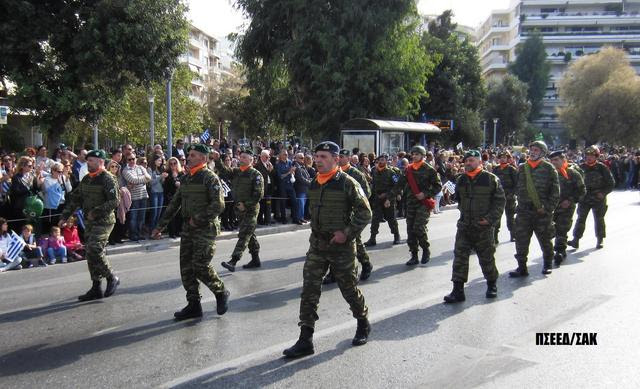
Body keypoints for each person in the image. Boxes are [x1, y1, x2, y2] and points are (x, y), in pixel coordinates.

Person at [283, 141, 372, 359]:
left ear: (335, 158)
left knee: (348, 288)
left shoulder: (347, 183)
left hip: (341, 247)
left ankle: (363, 322)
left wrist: (347, 233)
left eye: (323, 156)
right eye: (316, 156)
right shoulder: (315, 183)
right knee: (309, 290)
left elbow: (365, 212)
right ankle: (306, 339)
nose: (318, 160)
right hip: (318, 246)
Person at [151, 144, 230, 320]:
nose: (189, 157)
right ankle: (194, 304)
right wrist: (160, 226)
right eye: (189, 154)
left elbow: (219, 205)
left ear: (203, 158)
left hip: (205, 228)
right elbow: (174, 204)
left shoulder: (210, 178)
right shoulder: (187, 178)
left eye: (193, 155)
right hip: (188, 228)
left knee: (200, 265)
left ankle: (220, 291)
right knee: (186, 267)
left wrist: (199, 219)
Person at [444, 150, 505, 303]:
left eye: (471, 160)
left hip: (483, 227)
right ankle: (457, 291)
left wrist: (489, 220)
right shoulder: (461, 179)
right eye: (466, 161)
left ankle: (492, 285)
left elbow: (499, 202)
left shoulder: (491, 179)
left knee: (486, 258)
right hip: (465, 226)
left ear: (479, 162)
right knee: (460, 258)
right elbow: (457, 198)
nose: (468, 163)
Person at [60, 149, 120, 301]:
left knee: (95, 248)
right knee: (90, 253)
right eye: (88, 161)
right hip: (90, 222)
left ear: (100, 162)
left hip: (104, 221)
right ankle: (96, 286)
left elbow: (114, 201)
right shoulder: (87, 179)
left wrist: (97, 211)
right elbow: (75, 198)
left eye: (92, 160)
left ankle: (111, 277)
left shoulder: (108, 178)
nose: (89, 163)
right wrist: (65, 216)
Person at [509, 141, 560, 277]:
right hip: (523, 211)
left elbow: (555, 192)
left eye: (536, 150)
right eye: (531, 150)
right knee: (521, 240)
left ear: (542, 153)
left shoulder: (549, 169)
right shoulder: (522, 168)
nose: (532, 152)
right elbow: (516, 187)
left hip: (541, 212)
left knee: (545, 240)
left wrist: (547, 209)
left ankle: (548, 264)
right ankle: (521, 267)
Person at [324, 149, 373, 284]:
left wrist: (353, 205)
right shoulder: (333, 173)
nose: (339, 159)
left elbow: (366, 193)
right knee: (333, 242)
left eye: (342, 156)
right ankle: (333, 273)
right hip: (335, 215)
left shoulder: (356, 174)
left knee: (355, 242)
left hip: (350, 215)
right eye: (338, 156)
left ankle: (366, 264)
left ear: (349, 158)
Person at [215, 148, 265, 272]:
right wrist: (217, 160)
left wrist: (246, 205)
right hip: (239, 209)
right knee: (249, 234)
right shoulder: (236, 171)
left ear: (251, 160)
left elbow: (258, 194)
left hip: (251, 210)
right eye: (240, 156)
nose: (241, 159)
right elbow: (224, 171)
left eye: (244, 157)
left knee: (244, 234)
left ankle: (233, 261)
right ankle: (255, 259)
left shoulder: (256, 174)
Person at [396, 146, 442, 266]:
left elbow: (438, 186)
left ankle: (425, 249)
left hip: (423, 203)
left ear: (422, 155)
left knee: (418, 227)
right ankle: (414, 255)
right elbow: (399, 184)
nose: (414, 156)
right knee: (410, 230)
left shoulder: (429, 169)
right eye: (413, 154)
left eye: (417, 154)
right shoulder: (408, 169)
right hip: (410, 203)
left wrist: (425, 194)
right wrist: (390, 198)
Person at [568, 145, 615, 249]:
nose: (589, 157)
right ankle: (576, 239)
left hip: (598, 198)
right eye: (587, 155)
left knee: (599, 219)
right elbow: (574, 183)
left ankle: (600, 239)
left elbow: (611, 183)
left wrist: (603, 193)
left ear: (596, 156)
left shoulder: (602, 168)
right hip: (584, 198)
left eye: (591, 155)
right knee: (580, 219)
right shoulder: (581, 167)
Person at [549, 151, 585, 266]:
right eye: (552, 160)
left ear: (563, 160)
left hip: (566, 207)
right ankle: (553, 249)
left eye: (556, 160)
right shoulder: (549, 173)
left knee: (562, 228)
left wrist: (570, 200)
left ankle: (559, 251)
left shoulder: (573, 174)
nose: (554, 162)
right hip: (551, 206)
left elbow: (582, 191)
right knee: (548, 230)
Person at [364, 154, 401, 247]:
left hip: (388, 199)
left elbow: (397, 186)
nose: (381, 161)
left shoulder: (391, 172)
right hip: (377, 198)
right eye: (380, 160)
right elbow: (374, 185)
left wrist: (388, 197)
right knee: (375, 219)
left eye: (383, 160)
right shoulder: (375, 171)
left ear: (386, 161)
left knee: (391, 218)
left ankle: (396, 236)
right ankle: (372, 238)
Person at [122, 152, 151, 241]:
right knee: (133, 218)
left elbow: (149, 177)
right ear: (126, 160)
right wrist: (143, 179)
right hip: (133, 197)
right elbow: (133, 180)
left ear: (136, 159)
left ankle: (139, 234)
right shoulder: (125, 171)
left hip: (143, 195)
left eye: (133, 159)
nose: (132, 161)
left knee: (141, 217)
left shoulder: (141, 167)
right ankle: (133, 235)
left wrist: (140, 179)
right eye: (129, 159)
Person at [493, 151, 518, 243]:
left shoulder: (512, 169)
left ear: (508, 159)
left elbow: (517, 184)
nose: (502, 159)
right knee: (496, 218)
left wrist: (512, 194)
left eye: (504, 157)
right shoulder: (495, 169)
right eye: (501, 157)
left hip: (509, 198)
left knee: (510, 218)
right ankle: (494, 237)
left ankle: (513, 235)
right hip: (498, 198)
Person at [275, 149, 298, 224]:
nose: (286, 155)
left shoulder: (290, 162)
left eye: (287, 154)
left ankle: (295, 218)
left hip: (290, 185)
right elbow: (280, 176)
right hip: (283, 185)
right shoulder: (278, 164)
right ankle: (283, 218)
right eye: (284, 154)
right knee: (283, 203)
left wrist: (293, 172)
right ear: (281, 155)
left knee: (294, 201)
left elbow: (292, 173)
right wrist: (289, 172)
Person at [255, 150, 276, 226]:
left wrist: (271, 170)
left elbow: (273, 174)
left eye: (269, 157)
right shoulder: (258, 165)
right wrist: (268, 171)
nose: (268, 158)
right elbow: (260, 176)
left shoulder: (269, 164)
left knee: (268, 204)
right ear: (262, 157)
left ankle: (268, 219)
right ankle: (260, 220)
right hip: (263, 187)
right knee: (262, 204)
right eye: (266, 157)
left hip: (269, 187)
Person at [148, 155, 166, 230]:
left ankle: (156, 230)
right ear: (154, 160)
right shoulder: (150, 169)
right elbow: (151, 182)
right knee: (154, 213)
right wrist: (160, 177)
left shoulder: (160, 169)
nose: (160, 162)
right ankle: (151, 229)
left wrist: (163, 178)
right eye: (159, 160)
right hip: (154, 193)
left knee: (159, 213)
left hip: (161, 192)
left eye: (161, 161)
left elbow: (161, 183)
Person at [293, 152, 312, 224]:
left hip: (305, 189)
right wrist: (310, 183)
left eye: (303, 158)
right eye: (301, 158)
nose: (303, 159)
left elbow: (308, 176)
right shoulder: (297, 166)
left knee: (302, 205)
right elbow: (300, 178)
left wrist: (310, 180)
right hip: (300, 189)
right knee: (300, 205)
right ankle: (298, 219)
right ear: (296, 158)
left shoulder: (303, 166)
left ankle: (301, 218)